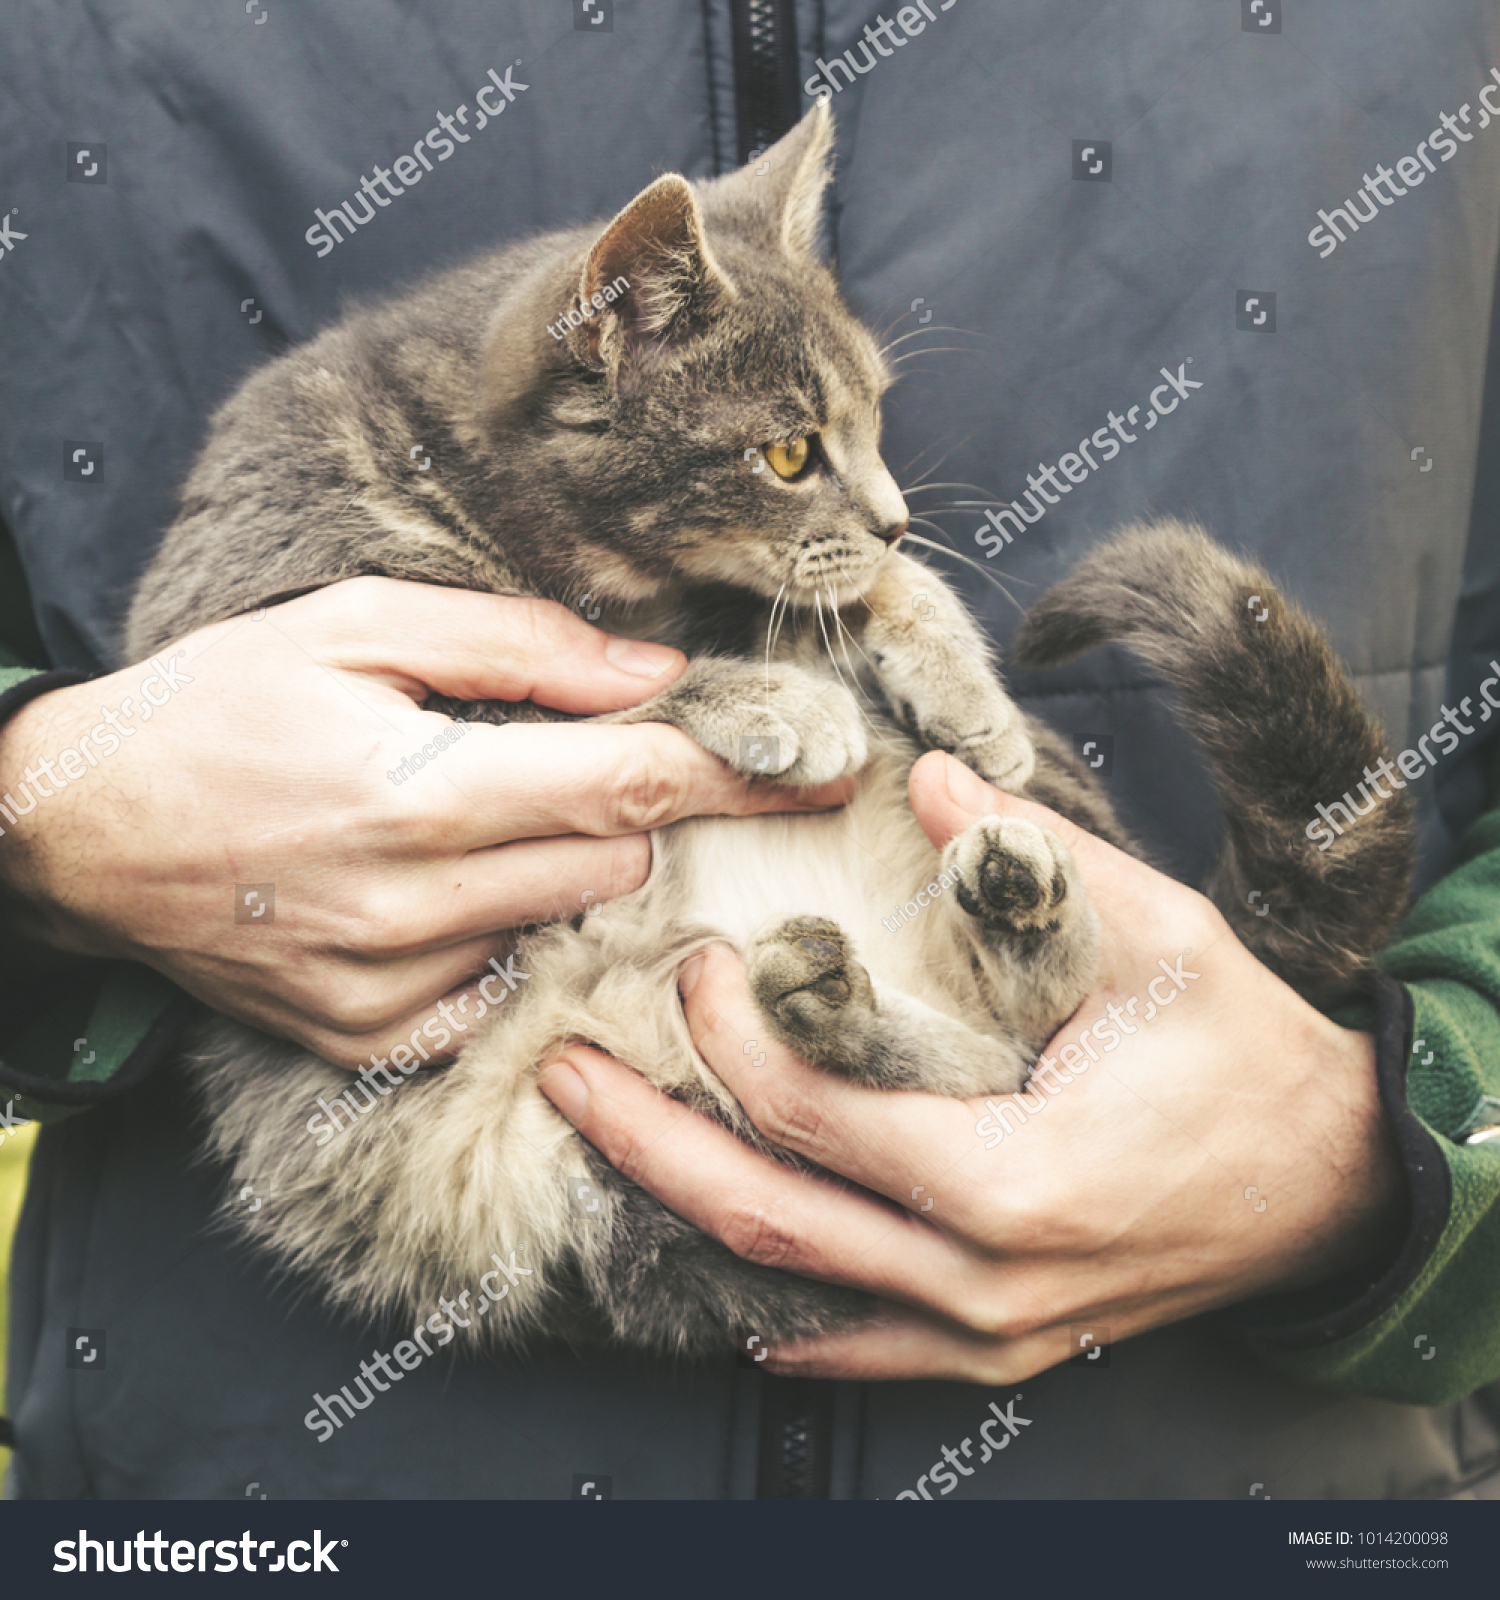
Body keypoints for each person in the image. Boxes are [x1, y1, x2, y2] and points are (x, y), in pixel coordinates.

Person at [1, 0, 1498, 1498]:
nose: (901, 509)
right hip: (303, 1455)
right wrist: (38, 807)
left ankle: (971, 1019)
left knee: (957, 827)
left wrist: (1401, 1150)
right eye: (809, 456)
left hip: (1223, 1486)